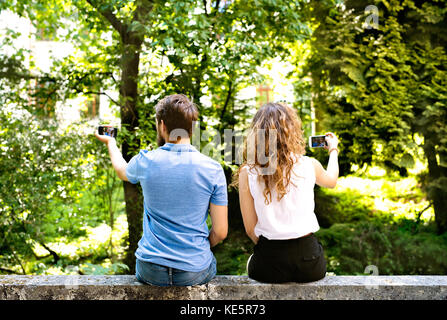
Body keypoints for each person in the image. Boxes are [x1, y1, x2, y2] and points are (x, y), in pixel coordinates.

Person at [95, 94, 228, 286]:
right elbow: (221, 232)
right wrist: (196, 251)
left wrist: (111, 143)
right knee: (208, 263)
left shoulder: (146, 161)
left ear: (162, 125)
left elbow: (121, 171)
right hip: (193, 271)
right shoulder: (213, 169)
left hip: (151, 270)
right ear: (192, 128)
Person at [234, 102, 339, 283]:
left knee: (253, 262)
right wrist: (333, 150)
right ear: (291, 130)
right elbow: (331, 181)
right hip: (310, 262)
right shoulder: (309, 164)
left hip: (269, 262)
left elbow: (251, 230)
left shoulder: (247, 172)